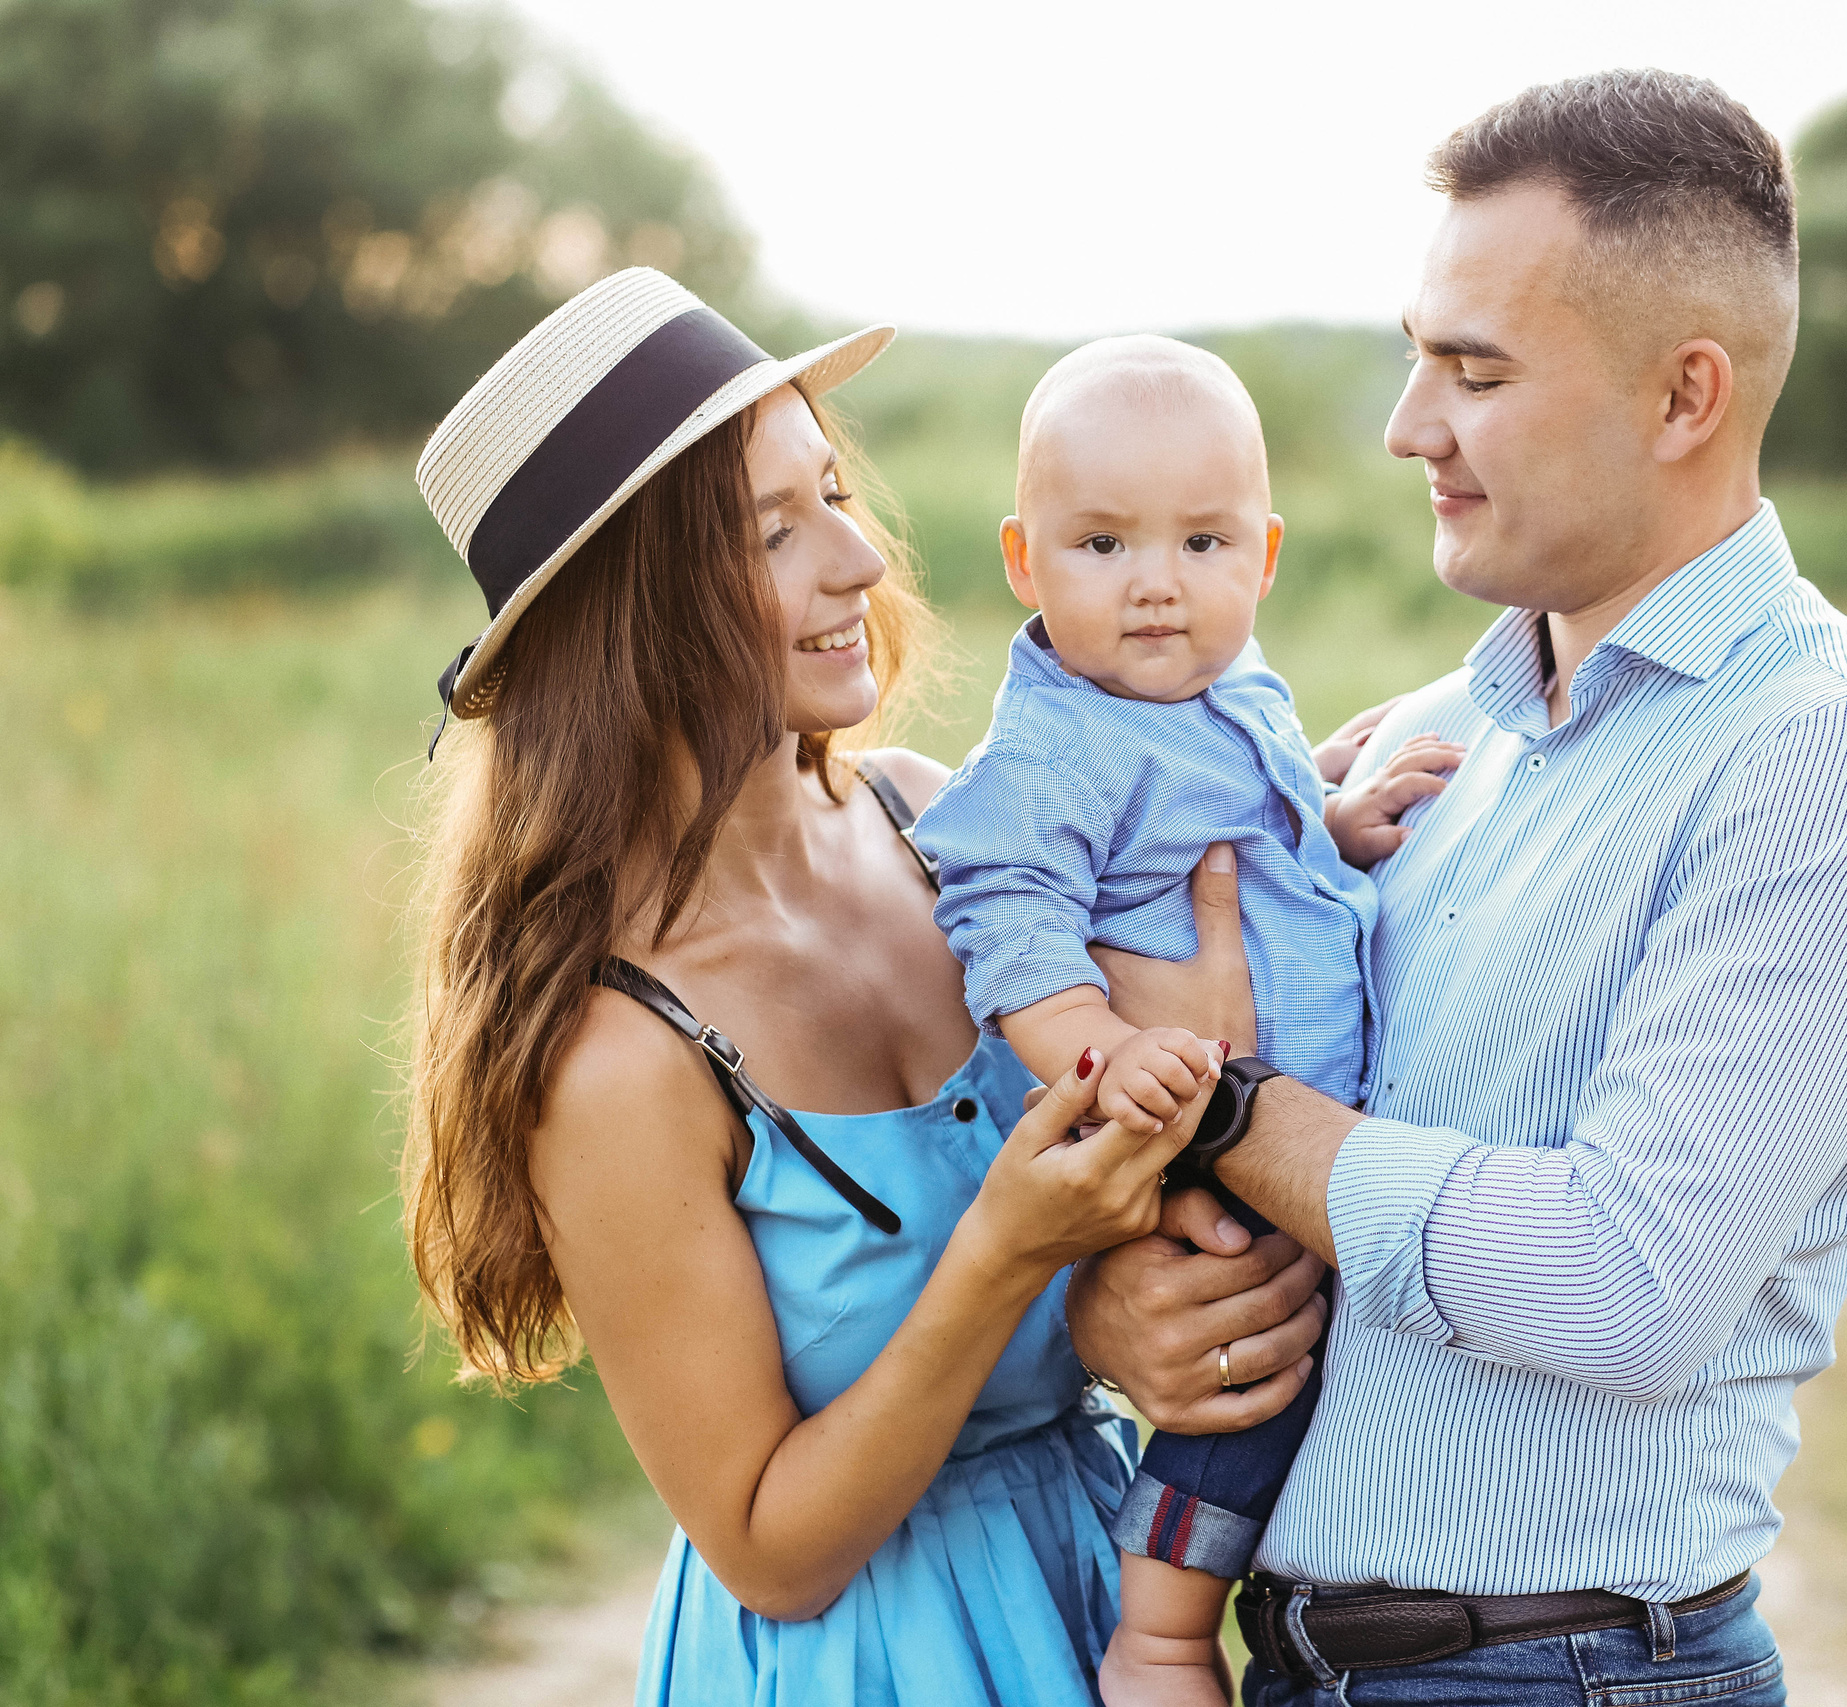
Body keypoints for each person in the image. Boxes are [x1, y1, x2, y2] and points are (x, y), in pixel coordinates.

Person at [1065, 70, 1847, 1703]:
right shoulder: (1432, 740)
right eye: (1419, 357)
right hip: (1286, 1661)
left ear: (1684, 397)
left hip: (1561, 1674)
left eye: (1476, 372)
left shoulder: (1838, 761)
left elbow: (1621, 1282)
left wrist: (1220, 1103)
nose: (1407, 426)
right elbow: (1270, 1221)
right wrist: (1119, 1312)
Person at [399, 268, 1323, 1705]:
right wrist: (1011, 1253)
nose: (859, 562)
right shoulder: (619, 1051)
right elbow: (771, 1547)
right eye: (777, 532)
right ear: (631, 615)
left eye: (831, 492)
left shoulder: (930, 827)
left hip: (1094, 1593)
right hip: (868, 1660)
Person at [912, 335, 1457, 1705]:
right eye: (1100, 543)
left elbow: (1244, 848)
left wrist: (1329, 828)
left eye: (1202, 542)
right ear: (1025, 563)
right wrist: (1112, 1050)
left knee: (1301, 1362)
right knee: (1241, 1370)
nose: (1157, 582)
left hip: (1292, 1127)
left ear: (1262, 557)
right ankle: (1158, 1634)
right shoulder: (1053, 751)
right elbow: (1010, 936)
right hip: (1185, 1138)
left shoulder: (1234, 686)